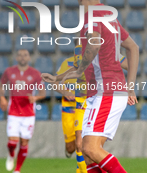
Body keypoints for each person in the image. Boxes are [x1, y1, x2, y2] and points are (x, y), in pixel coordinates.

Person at [61, 0, 139, 173]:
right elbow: (132, 48)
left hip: (107, 92)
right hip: (100, 93)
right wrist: (129, 86)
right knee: (86, 153)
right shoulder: (108, 16)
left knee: (90, 148)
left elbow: (94, 45)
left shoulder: (93, 16)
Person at [42, 42, 128, 173]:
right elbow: (79, 68)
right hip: (84, 101)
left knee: (90, 148)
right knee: (87, 151)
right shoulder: (80, 47)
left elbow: (128, 63)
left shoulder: (103, 46)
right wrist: (56, 78)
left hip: (103, 97)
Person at [0, 49, 46, 173]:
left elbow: (43, 93)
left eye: (25, 55)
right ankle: (11, 154)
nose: (23, 57)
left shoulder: (35, 74)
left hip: (29, 114)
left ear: (29, 58)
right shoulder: (9, 72)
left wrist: (35, 97)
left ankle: (17, 170)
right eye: (20, 55)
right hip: (13, 112)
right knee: (13, 142)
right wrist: (2, 98)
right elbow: (1, 86)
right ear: (16, 58)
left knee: (24, 142)